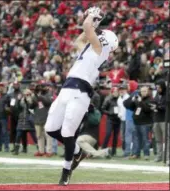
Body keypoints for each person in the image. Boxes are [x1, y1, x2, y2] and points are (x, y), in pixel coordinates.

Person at [44, 6, 118, 185]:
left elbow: (86, 27)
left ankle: (66, 170)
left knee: (67, 132)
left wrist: (92, 16)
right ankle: (77, 152)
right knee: (51, 128)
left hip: (81, 93)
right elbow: (79, 39)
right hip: (67, 88)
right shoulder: (90, 49)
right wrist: (92, 22)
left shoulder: (100, 48)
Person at [124, 86, 153, 160]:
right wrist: (132, 101)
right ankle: (136, 154)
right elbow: (131, 107)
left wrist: (140, 102)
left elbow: (147, 109)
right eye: (142, 91)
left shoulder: (150, 99)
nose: (143, 92)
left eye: (145, 91)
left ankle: (146, 154)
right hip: (136, 122)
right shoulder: (137, 98)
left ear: (148, 91)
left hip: (145, 122)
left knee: (145, 139)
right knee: (136, 139)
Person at [31, 81, 54, 157]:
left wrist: (40, 96)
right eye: (42, 86)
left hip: (47, 118)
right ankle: (41, 151)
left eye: (44, 86)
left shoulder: (49, 94)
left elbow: (48, 102)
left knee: (48, 136)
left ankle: (49, 152)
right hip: (38, 118)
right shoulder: (37, 95)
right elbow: (31, 106)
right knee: (39, 136)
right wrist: (35, 95)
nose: (43, 88)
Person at [101, 87, 121, 156]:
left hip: (118, 119)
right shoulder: (108, 99)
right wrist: (109, 112)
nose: (116, 93)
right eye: (114, 92)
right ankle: (103, 148)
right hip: (110, 119)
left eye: (117, 92)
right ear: (112, 92)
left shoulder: (120, 99)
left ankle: (114, 151)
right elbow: (103, 109)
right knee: (108, 134)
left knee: (116, 136)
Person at [152, 80, 166, 162]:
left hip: (165, 120)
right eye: (156, 87)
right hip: (156, 119)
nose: (158, 89)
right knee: (158, 140)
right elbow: (154, 101)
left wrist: (157, 107)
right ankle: (159, 156)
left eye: (159, 87)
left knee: (167, 140)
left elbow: (165, 107)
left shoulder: (167, 94)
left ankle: (168, 157)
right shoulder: (157, 94)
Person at [117, 83, 129, 154]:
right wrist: (119, 114)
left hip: (127, 119)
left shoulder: (128, 97)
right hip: (122, 119)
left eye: (123, 89)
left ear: (126, 90)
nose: (121, 91)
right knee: (122, 135)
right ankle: (124, 149)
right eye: (120, 89)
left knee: (127, 135)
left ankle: (126, 151)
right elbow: (119, 109)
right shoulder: (119, 98)